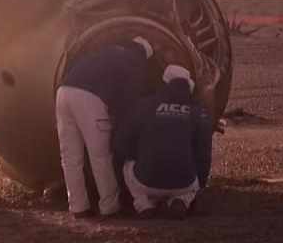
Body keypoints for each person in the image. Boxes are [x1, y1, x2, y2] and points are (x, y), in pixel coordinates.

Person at [56, 36, 153, 218]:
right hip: (89, 98)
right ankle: (110, 206)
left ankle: (78, 206)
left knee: (70, 157)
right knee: (100, 155)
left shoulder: (109, 52)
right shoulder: (135, 60)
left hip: (63, 92)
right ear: (144, 55)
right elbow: (129, 98)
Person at [114, 64, 213, 220]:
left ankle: (144, 204)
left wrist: (136, 155)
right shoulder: (198, 110)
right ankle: (182, 200)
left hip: (145, 181)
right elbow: (203, 150)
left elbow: (123, 141)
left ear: (163, 82)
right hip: (184, 183)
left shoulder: (143, 105)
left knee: (129, 164)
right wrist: (200, 182)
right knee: (189, 183)